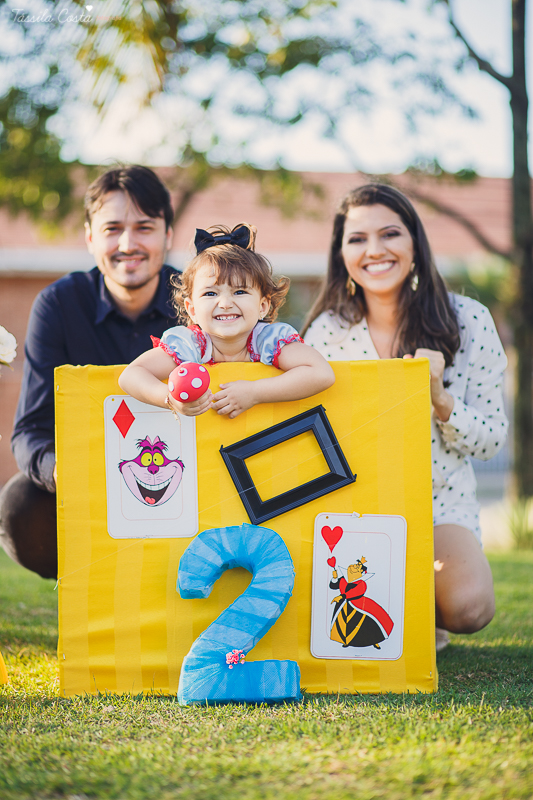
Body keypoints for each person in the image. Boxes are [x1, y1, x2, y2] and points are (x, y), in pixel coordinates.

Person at [303, 183, 508, 650]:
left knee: (469, 606)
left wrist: (440, 399)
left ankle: (421, 606)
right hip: (354, 503)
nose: (374, 250)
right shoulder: (326, 333)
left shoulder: (468, 320)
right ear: (342, 253)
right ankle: (399, 607)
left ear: (415, 244)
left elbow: (492, 439)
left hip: (439, 504)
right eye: (357, 239)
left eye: (390, 234)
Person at [0, 165, 180, 579]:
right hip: (89, 487)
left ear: (168, 235)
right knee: (19, 506)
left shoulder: (200, 303)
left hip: (181, 478)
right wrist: (62, 471)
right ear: (90, 237)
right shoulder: (58, 305)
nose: (128, 243)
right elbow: (30, 432)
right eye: (113, 228)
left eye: (145, 227)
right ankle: (91, 582)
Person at [119, 223, 335, 418]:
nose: (224, 303)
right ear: (191, 309)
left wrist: (255, 392)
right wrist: (169, 399)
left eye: (239, 291)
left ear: (262, 306)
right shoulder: (191, 345)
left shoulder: (268, 340)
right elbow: (131, 375)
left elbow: (321, 373)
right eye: (211, 294)